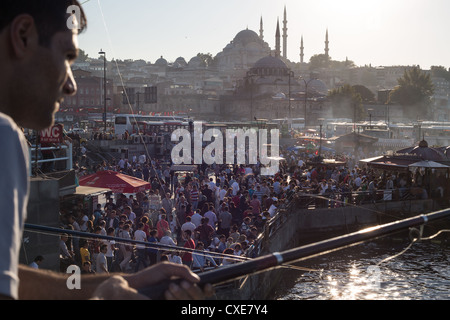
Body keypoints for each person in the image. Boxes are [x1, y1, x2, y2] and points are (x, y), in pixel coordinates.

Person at [0, 0, 211, 300]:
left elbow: (12, 279)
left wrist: (128, 281)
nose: (71, 85)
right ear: (22, 36)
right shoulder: (5, 136)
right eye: (67, 57)